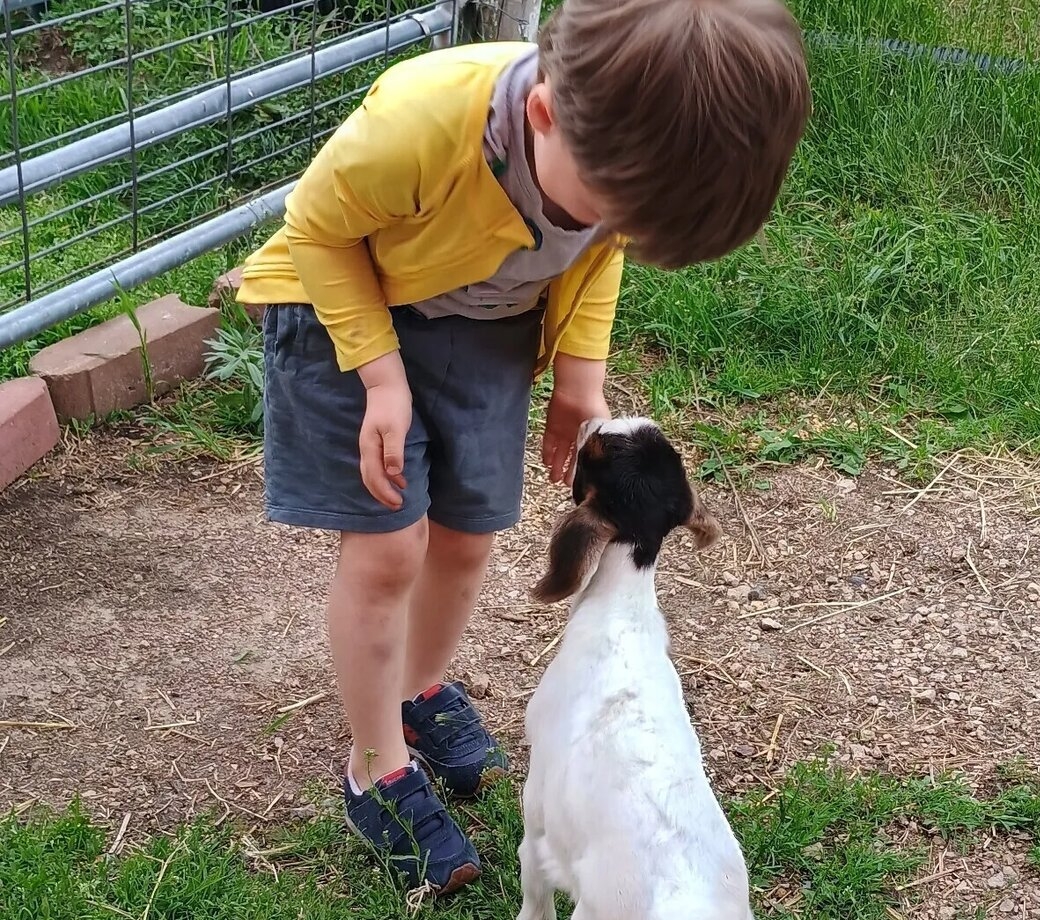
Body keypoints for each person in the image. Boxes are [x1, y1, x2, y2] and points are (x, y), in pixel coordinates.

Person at [235, 0, 810, 896]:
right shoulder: (420, 123)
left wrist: (580, 375)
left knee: (469, 531)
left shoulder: (597, 157)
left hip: (485, 322)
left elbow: (598, 250)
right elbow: (318, 228)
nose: (611, 231)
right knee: (391, 546)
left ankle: (420, 690)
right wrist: (382, 380)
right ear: (542, 117)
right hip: (343, 306)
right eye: (611, 212)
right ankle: (375, 766)